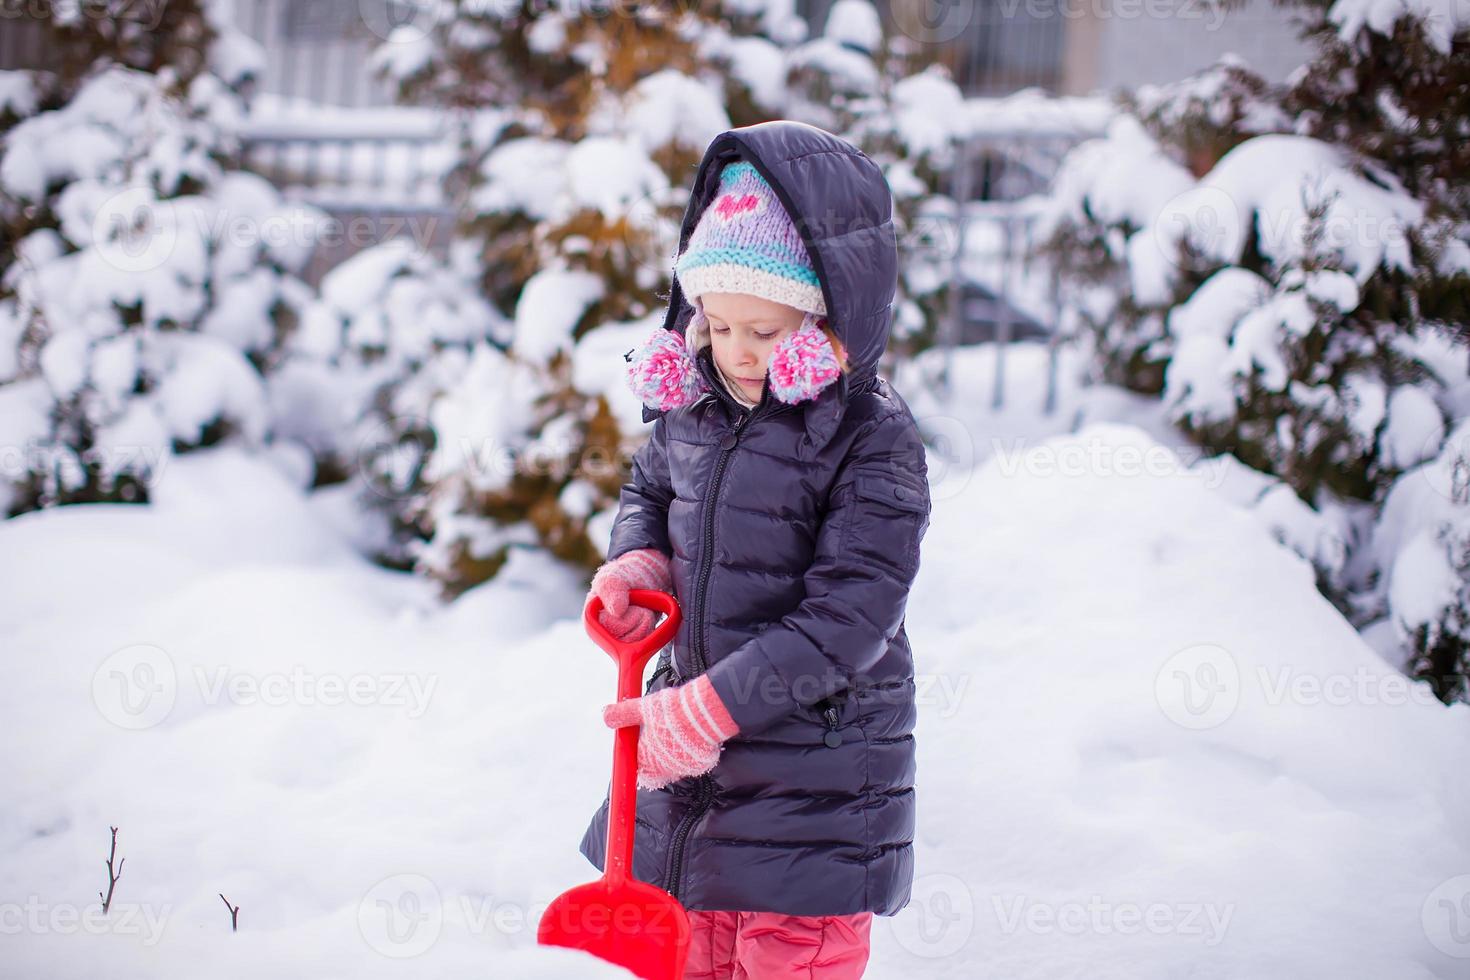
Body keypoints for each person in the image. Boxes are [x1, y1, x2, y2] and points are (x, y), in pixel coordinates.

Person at [578, 119, 931, 979]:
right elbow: (650, 491)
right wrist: (638, 561)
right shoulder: (693, 410)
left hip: (817, 783)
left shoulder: (870, 441)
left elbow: (850, 618)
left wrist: (711, 712)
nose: (736, 352)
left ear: (828, 316)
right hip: (697, 778)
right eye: (719, 323)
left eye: (765, 333)